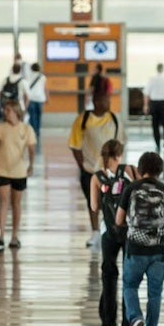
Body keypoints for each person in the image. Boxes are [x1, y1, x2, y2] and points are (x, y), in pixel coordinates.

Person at [117, 151, 164, 326]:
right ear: (160, 171)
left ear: (140, 169)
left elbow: (119, 220)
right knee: (155, 295)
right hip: (158, 251)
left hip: (135, 249)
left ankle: (135, 318)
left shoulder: (131, 188)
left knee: (129, 286)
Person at [89, 139, 136, 326]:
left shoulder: (97, 177)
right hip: (130, 230)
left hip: (108, 230)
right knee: (128, 275)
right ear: (119, 155)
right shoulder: (131, 170)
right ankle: (127, 322)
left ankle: (108, 321)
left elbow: (94, 206)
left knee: (108, 274)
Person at [0, 99, 36, 250]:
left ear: (16, 111)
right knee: (3, 201)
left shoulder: (26, 129)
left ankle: (14, 236)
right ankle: (1, 235)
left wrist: (31, 165)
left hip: (19, 171)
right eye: (5, 110)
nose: (5, 112)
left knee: (16, 204)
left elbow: (31, 149)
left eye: (8, 110)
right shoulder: (0, 128)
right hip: (2, 170)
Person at [68, 93, 121, 246]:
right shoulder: (83, 120)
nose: (108, 102)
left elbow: (119, 144)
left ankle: (109, 232)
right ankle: (96, 232)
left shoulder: (114, 120)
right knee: (93, 202)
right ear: (96, 101)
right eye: (105, 99)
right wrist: (82, 166)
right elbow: (75, 144)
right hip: (89, 171)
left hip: (110, 173)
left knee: (109, 203)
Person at [146, 63, 164, 147]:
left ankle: (157, 143)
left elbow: (146, 94)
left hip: (154, 103)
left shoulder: (151, 79)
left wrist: (146, 105)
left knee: (155, 125)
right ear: (163, 69)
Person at [21, 62, 48, 140]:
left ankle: (33, 131)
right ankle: (37, 131)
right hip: (40, 99)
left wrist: (24, 99)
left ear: (31, 68)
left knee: (32, 116)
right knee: (39, 116)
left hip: (31, 98)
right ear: (39, 68)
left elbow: (25, 89)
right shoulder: (43, 77)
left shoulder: (28, 77)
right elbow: (45, 89)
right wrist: (47, 98)